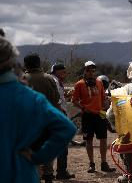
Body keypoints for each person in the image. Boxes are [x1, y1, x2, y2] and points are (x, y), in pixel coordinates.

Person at [0, 36, 76, 183]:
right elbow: (66, 126)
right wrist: (38, 157)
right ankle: (48, 174)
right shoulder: (35, 91)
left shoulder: (25, 79)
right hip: (22, 172)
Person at [23, 53, 62, 183]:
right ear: (39, 64)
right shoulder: (49, 78)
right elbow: (56, 99)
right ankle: (48, 175)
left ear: (26, 64)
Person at [72, 61, 115, 173]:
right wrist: (83, 108)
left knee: (103, 139)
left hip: (99, 115)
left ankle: (104, 163)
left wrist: (106, 104)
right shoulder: (79, 84)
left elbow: (103, 97)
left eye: (92, 70)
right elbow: (74, 100)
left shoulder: (99, 82)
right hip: (87, 116)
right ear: (84, 71)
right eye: (88, 70)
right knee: (88, 140)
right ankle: (91, 164)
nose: (91, 72)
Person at [50, 63, 75, 179]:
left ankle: (59, 171)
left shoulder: (57, 82)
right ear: (57, 72)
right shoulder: (54, 81)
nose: (65, 74)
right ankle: (61, 172)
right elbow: (56, 100)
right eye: (63, 72)